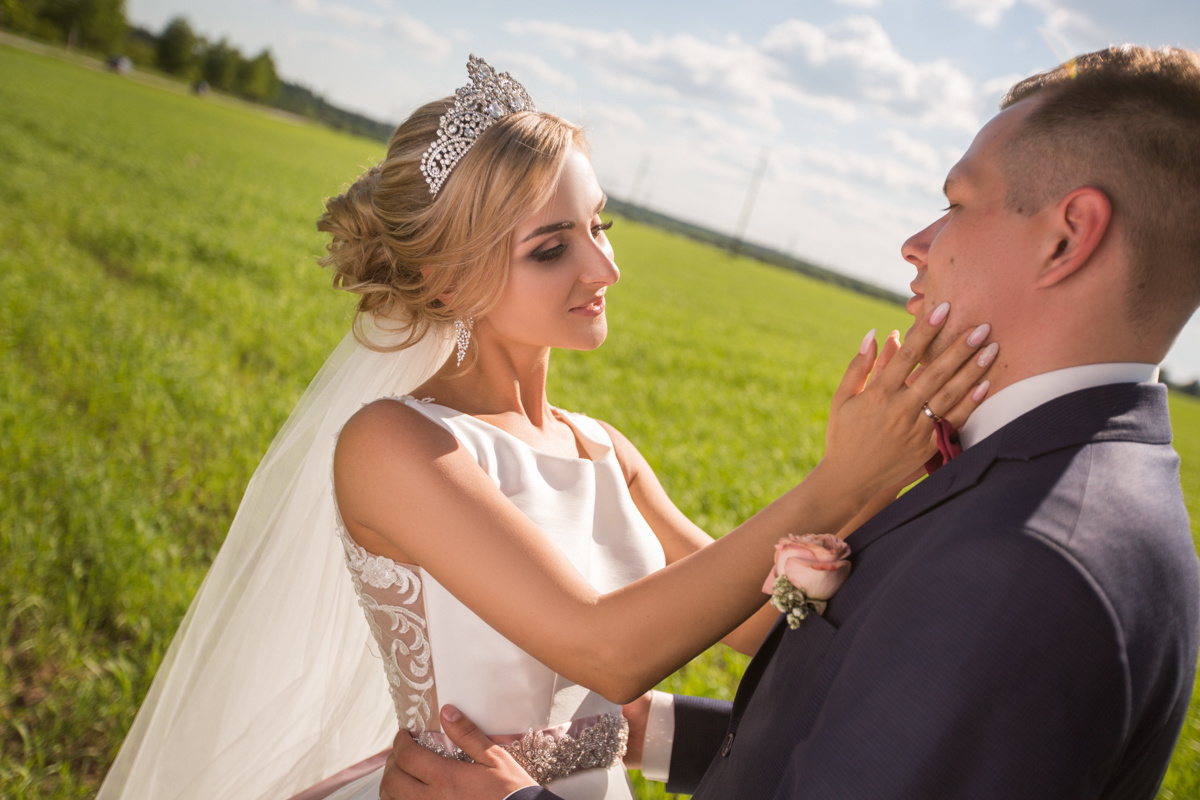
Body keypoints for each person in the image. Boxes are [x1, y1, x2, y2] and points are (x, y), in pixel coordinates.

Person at [95, 56, 995, 800]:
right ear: (448, 279)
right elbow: (605, 647)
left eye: (600, 223)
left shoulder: (602, 448)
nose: (603, 264)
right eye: (551, 245)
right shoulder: (398, 445)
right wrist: (840, 481)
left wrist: (885, 506)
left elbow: (755, 627)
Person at [382, 45, 1200, 800]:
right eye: (552, 245)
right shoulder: (1034, 486)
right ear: (449, 276)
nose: (914, 242)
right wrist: (642, 732)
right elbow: (843, 730)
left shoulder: (1028, 561)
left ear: (1067, 238)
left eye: (955, 202)